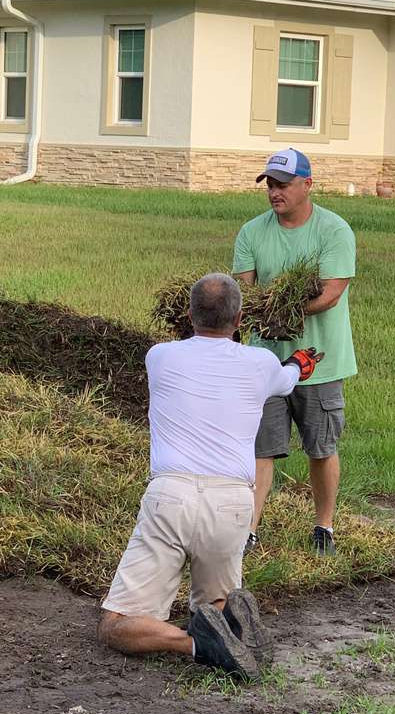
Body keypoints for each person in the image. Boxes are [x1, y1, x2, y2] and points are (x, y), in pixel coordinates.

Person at [97, 273, 322, 679]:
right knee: (212, 606)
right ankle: (228, 624)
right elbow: (290, 378)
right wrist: (298, 363)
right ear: (240, 320)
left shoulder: (160, 357)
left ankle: (198, 643)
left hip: (172, 496)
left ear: (188, 314)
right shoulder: (261, 364)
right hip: (233, 505)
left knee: (115, 625)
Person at [233, 149, 356, 557]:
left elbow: (331, 293)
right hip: (265, 361)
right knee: (260, 448)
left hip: (319, 361)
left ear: (307, 185)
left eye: (282, 184)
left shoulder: (334, 231)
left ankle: (324, 527)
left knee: (321, 448)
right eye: (269, 184)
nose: (274, 192)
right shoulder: (252, 232)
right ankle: (249, 529)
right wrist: (256, 315)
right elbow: (245, 292)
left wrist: (281, 310)